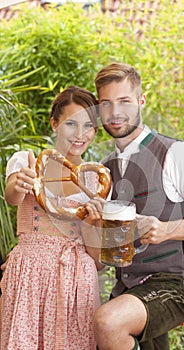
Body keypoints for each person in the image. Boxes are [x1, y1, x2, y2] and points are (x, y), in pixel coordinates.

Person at [92, 63, 184, 350]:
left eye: (124, 101)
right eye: (106, 103)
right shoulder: (104, 168)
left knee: (108, 322)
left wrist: (166, 229)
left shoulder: (177, 152)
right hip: (127, 287)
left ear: (141, 101)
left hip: (174, 284)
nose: (115, 112)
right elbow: (100, 258)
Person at [0, 86, 105, 350]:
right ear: (55, 122)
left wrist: (94, 223)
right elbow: (12, 195)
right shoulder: (27, 161)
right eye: (71, 123)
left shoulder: (96, 179)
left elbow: (97, 256)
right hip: (29, 273)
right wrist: (20, 183)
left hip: (77, 277)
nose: (80, 135)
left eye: (88, 126)